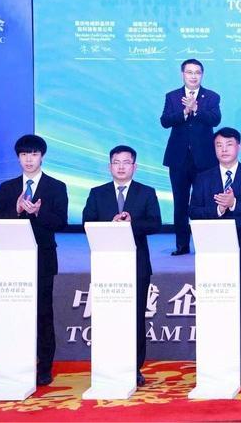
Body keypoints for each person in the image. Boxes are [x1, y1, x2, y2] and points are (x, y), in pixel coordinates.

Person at [189, 127, 241, 385]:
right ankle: (215, 359)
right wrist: (219, 209)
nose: (224, 149)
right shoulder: (203, 178)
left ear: (239, 147)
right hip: (213, 252)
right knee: (215, 307)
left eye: (229, 144)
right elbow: (193, 211)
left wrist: (234, 205)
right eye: (219, 145)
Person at [0, 134, 68, 386]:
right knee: (15, 312)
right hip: (12, 260)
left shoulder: (56, 187)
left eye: (33, 154)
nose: (29, 160)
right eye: (24, 155)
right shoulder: (8, 188)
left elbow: (61, 223)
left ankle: (44, 367)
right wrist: (18, 210)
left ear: (42, 156)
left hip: (42, 259)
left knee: (43, 313)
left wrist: (39, 212)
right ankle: (15, 361)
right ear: (18, 158)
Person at [82, 145, 162, 387]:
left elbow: (155, 224)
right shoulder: (97, 193)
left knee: (135, 317)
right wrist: (110, 223)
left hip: (136, 265)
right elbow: (87, 221)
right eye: (116, 162)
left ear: (134, 167)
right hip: (107, 264)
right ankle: (108, 365)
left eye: (126, 162)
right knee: (109, 316)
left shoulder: (146, 192)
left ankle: (134, 368)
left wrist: (130, 223)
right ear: (109, 166)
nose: (121, 166)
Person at [160, 58, 221, 256]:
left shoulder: (211, 96)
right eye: (189, 72)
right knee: (180, 202)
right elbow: (165, 121)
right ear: (182, 74)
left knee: (205, 202)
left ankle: (207, 244)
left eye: (197, 72)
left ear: (202, 75)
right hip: (178, 159)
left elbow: (215, 119)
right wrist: (184, 112)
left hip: (204, 159)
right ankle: (182, 245)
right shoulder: (172, 96)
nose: (193, 76)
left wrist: (197, 109)